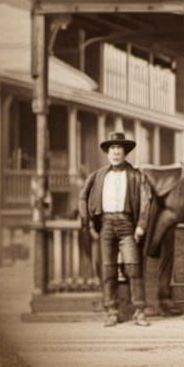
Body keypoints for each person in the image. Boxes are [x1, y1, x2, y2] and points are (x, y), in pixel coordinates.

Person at [79, 132, 155, 327]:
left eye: (119, 148)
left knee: (133, 268)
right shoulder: (98, 176)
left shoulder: (136, 175)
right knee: (108, 270)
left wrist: (141, 226)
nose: (115, 152)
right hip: (105, 225)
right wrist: (87, 221)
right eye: (112, 148)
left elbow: (146, 201)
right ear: (107, 153)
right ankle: (111, 311)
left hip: (127, 225)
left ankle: (139, 310)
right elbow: (83, 197)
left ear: (125, 152)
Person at [144, 164, 184, 317]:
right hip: (152, 221)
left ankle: (161, 299)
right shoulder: (180, 181)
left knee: (163, 259)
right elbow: (176, 208)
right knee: (150, 258)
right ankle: (152, 303)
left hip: (166, 224)